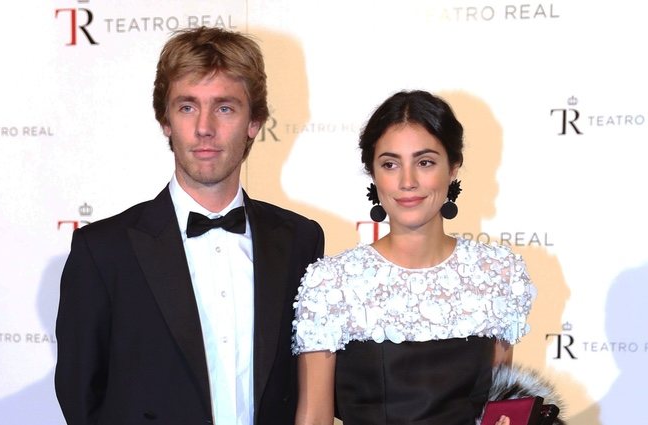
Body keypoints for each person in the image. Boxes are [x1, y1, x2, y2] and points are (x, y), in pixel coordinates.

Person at [55, 26, 324, 425]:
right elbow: (81, 396)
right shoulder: (102, 251)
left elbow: (311, 386)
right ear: (165, 120)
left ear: (255, 122)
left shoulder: (301, 240)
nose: (204, 128)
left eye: (225, 108)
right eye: (187, 107)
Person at [292, 90, 536, 425]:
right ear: (373, 175)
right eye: (390, 164)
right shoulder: (332, 284)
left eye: (425, 162)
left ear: (453, 168)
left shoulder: (497, 275)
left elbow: (498, 412)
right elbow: (314, 417)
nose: (407, 182)